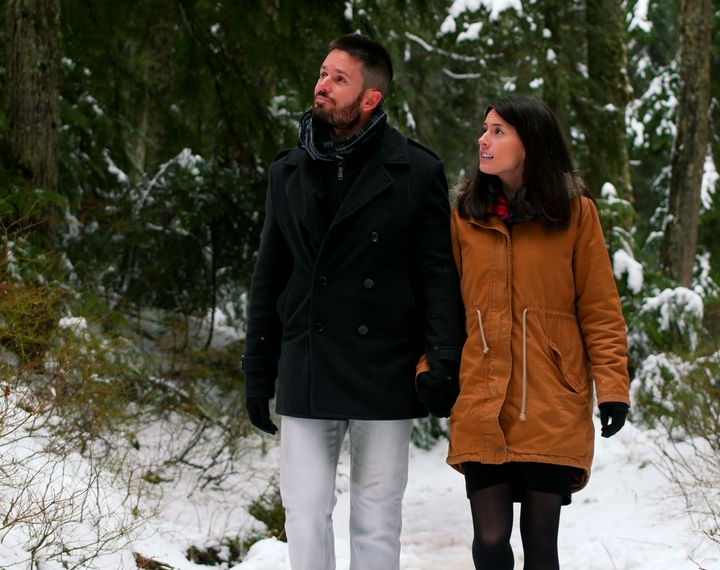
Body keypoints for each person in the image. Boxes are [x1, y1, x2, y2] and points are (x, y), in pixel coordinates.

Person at [241, 33, 465, 570]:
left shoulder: (416, 172)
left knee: (376, 513)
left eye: (339, 78)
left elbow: (438, 275)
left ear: (371, 99)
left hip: (384, 366)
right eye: (322, 73)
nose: (322, 85)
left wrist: (445, 357)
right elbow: (269, 275)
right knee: (303, 508)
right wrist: (257, 367)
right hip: (307, 361)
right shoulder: (287, 171)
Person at [444, 95, 631, 569]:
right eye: (484, 129)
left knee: (540, 541)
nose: (483, 140)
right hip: (483, 398)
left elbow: (600, 307)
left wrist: (613, 388)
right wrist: (433, 366)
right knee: (489, 540)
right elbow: (443, 305)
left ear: (530, 144)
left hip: (551, 399)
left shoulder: (575, 213)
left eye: (498, 131)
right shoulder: (466, 214)